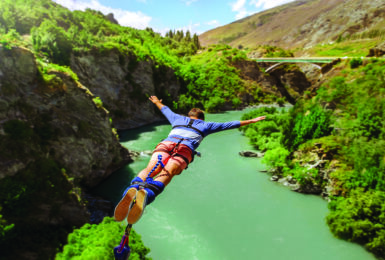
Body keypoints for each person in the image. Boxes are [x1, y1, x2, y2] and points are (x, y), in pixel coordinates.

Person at [114, 96, 266, 224]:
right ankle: (147, 194)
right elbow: (229, 124)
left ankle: (130, 190)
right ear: (201, 118)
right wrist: (252, 120)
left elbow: (164, 109)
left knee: (150, 169)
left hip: (167, 144)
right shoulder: (207, 125)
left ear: (188, 116)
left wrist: (156, 101)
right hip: (184, 149)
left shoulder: (178, 118)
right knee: (168, 173)